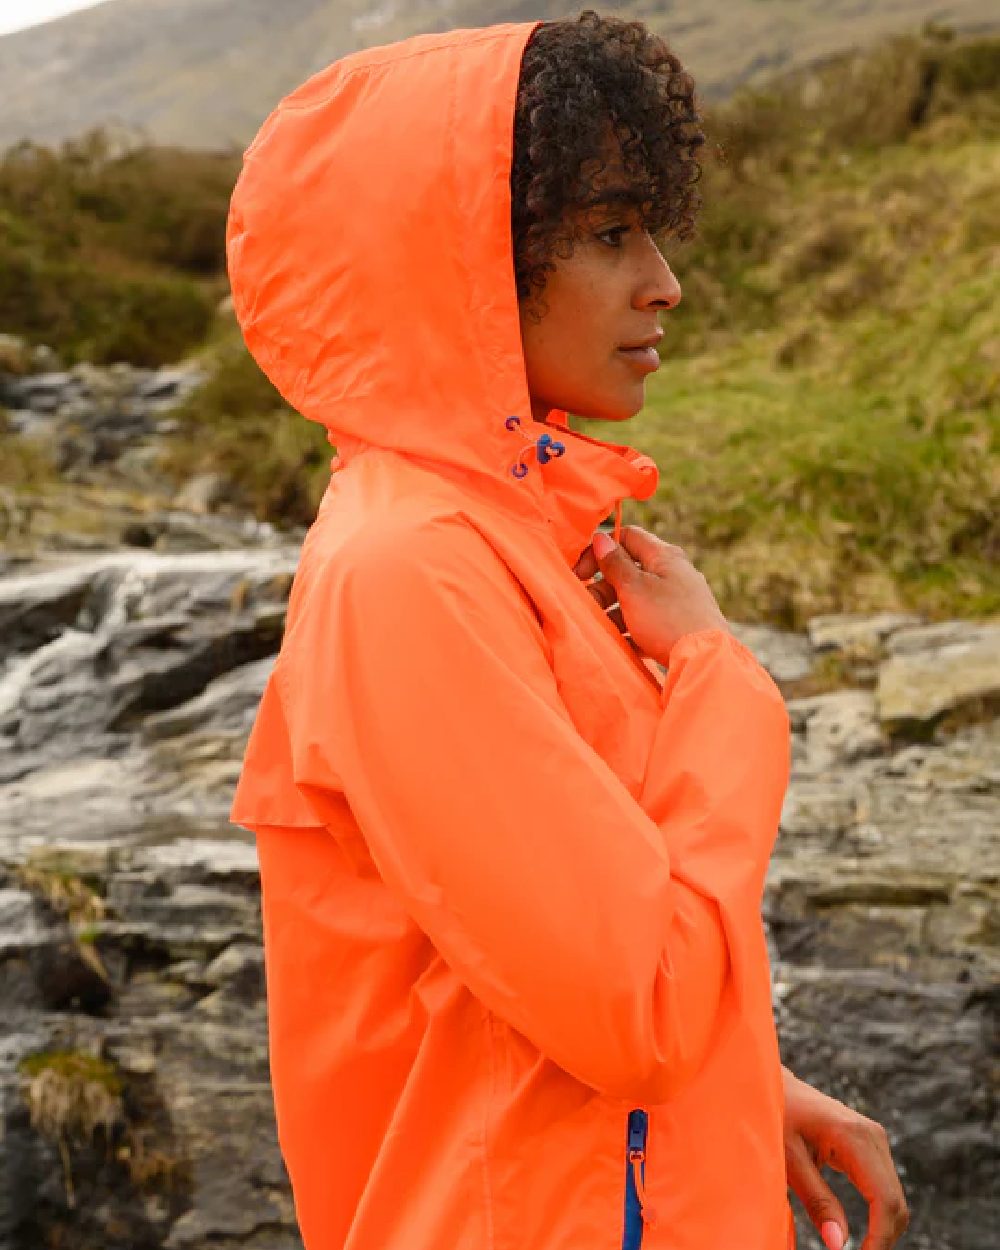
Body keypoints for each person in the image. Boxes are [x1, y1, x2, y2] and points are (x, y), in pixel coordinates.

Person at [226, 10, 909, 1250]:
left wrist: (742, 1087)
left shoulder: (505, 534)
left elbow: (527, 973)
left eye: (651, 226)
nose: (665, 279)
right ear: (467, 264)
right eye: (607, 234)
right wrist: (719, 681)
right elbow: (635, 1001)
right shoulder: (411, 573)